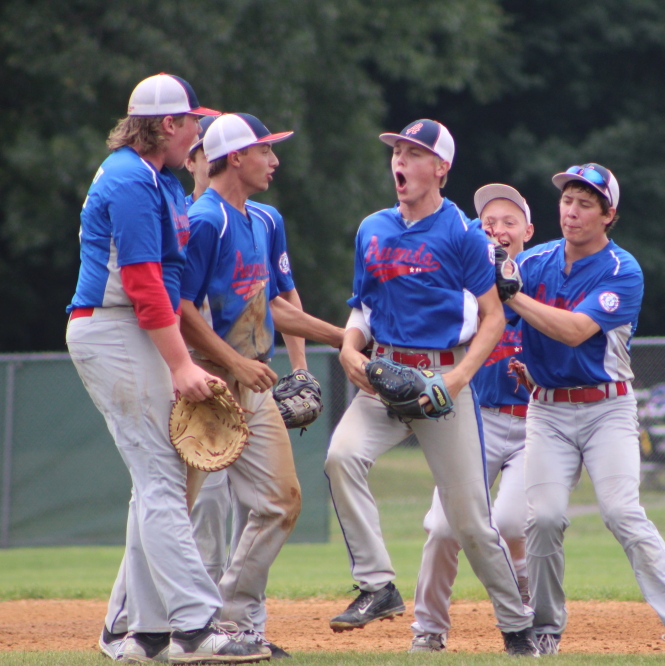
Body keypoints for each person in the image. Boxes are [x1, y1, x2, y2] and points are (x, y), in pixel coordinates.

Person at [66, 73, 271, 663]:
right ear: (166, 125)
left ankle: (142, 632)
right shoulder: (131, 179)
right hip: (111, 325)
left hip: (132, 326)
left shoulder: (161, 182)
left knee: (154, 480)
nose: (198, 133)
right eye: (191, 123)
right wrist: (181, 365)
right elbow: (141, 283)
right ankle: (195, 627)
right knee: (161, 479)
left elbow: (170, 280)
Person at [323, 119, 539, 656]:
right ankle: (378, 585)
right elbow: (364, 307)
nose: (400, 161)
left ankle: (517, 629)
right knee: (340, 457)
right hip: (383, 374)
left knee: (468, 523)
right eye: (397, 151)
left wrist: (459, 377)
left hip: (441, 379)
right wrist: (351, 347)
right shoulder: (372, 228)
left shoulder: (463, 234)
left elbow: (492, 317)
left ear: (440, 168)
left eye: (414, 154)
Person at [508, 163, 665, 662]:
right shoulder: (535, 262)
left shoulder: (622, 270)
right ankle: (544, 630)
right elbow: (484, 296)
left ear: (610, 215)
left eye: (586, 203)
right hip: (548, 411)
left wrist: (510, 293)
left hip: (607, 408)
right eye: (566, 200)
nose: (572, 210)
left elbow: (575, 330)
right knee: (543, 520)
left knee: (623, 513)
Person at [179, 112, 344, 653]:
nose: (274, 161)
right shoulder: (207, 221)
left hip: (252, 384)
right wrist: (233, 361)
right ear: (235, 158)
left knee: (281, 501)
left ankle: (231, 621)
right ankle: (142, 623)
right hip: (206, 390)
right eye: (265, 151)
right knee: (172, 510)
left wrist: (343, 338)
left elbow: (274, 306)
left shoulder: (263, 221)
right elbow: (180, 309)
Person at [409, 184, 535, 653]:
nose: (498, 229)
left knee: (507, 522)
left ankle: (526, 614)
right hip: (475, 420)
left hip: (532, 425)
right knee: (443, 528)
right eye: (489, 221)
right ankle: (428, 630)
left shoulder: (540, 277)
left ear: (528, 230)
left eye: (508, 221)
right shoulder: (465, 280)